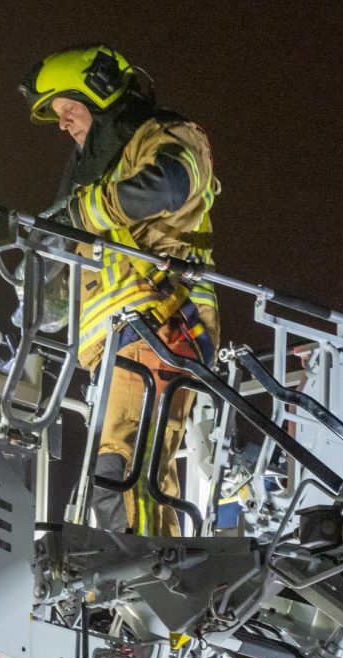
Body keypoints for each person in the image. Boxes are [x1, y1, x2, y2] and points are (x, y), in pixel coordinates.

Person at [18, 45, 221, 536]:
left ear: (102, 93)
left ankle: (145, 580)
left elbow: (168, 185)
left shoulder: (165, 136)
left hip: (159, 326)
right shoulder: (97, 187)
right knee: (125, 466)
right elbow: (64, 294)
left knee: (123, 468)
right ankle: (149, 578)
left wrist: (77, 215)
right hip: (117, 343)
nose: (65, 125)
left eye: (70, 109)